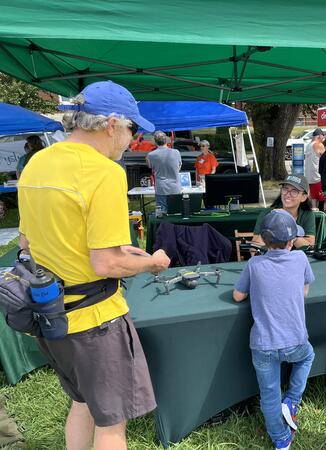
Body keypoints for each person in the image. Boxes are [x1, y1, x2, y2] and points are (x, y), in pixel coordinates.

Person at [17, 80, 171, 449]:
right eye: (132, 129)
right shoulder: (105, 173)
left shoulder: (39, 162)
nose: (132, 140)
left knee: (83, 403)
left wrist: (129, 256)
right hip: (95, 320)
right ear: (110, 124)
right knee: (112, 425)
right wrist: (152, 263)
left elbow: (27, 242)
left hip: (49, 316)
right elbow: (105, 262)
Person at [233, 209, 315, 450]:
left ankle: (281, 440)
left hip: (263, 345)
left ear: (263, 241)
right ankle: (292, 401)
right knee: (308, 356)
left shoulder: (254, 263)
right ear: (292, 242)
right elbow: (304, 290)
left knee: (269, 393)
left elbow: (238, 295)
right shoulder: (300, 259)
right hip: (296, 341)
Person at [252, 174, 316, 248]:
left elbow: (310, 247)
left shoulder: (307, 214)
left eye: (294, 191)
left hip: (297, 259)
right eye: (285, 189)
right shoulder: (267, 214)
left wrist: (290, 231)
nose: (288, 195)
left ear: (304, 197)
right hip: (272, 258)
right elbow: (254, 250)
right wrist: (272, 224)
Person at [146, 131, 182, 212]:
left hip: (161, 187)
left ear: (155, 142)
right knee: (176, 213)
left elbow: (150, 166)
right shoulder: (176, 152)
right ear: (166, 140)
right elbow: (179, 167)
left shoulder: (151, 155)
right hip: (175, 187)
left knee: (162, 213)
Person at [304, 128, 326, 208]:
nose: (323, 139)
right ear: (320, 136)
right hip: (318, 177)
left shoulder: (308, 145)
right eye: (323, 137)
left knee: (313, 200)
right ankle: (325, 218)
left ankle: (314, 218)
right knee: (325, 200)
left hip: (309, 177)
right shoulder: (318, 144)